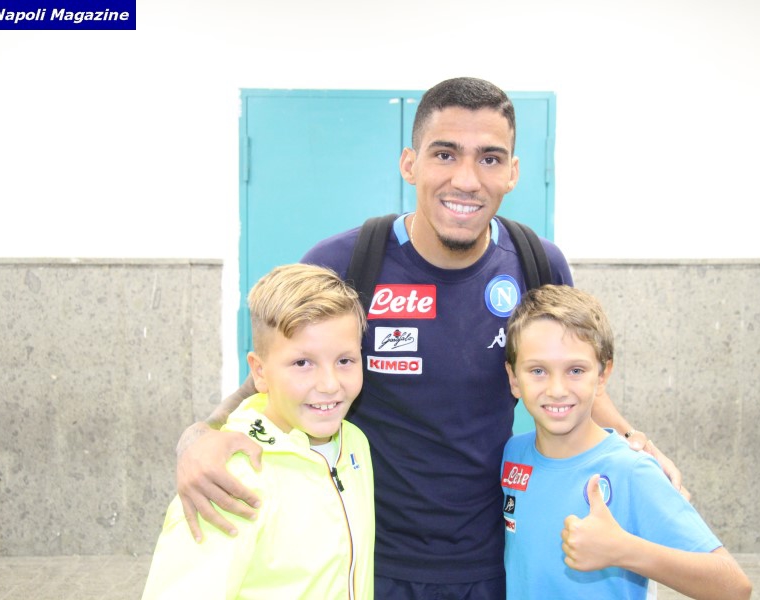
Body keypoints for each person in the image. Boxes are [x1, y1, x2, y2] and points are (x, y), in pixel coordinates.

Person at [175, 77, 685, 599]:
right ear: (409, 163)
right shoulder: (343, 263)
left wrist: (635, 443)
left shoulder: (538, 264)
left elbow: (576, 381)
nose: (466, 179)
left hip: (493, 559)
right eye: (445, 154)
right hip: (367, 560)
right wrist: (199, 437)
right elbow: (272, 380)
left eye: (489, 158)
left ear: (512, 172)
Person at [501, 284, 752, 600]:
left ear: (602, 375)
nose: (557, 389)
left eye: (575, 370)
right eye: (538, 370)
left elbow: (734, 587)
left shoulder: (631, 469)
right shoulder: (513, 455)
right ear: (514, 379)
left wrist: (624, 550)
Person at [142, 264, 374, 599]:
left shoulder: (354, 445)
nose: (329, 384)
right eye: (302, 363)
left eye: (345, 361)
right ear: (260, 372)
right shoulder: (229, 475)